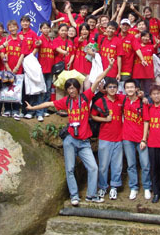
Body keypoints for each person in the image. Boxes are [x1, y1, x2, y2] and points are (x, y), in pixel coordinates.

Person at [25, 58, 115, 206]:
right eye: (69, 88)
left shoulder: (85, 98)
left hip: (84, 141)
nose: (71, 91)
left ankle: (91, 195)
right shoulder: (66, 102)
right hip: (71, 140)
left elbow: (98, 79)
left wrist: (109, 67)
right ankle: (74, 196)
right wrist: (32, 108)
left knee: (93, 168)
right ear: (66, 90)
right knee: (70, 168)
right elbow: (49, 103)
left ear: (78, 88)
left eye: (74, 88)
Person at [91, 77, 124, 200]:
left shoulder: (121, 99)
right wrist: (105, 119)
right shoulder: (100, 101)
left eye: (114, 87)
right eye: (110, 87)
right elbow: (93, 115)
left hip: (118, 137)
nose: (112, 89)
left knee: (117, 165)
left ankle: (114, 187)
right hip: (105, 137)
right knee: (103, 165)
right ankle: (103, 187)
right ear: (105, 89)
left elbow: (132, 99)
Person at [121, 79, 152, 200]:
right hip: (127, 138)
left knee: (145, 164)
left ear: (136, 89)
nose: (129, 89)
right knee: (131, 164)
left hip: (140, 138)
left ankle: (146, 187)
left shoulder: (143, 103)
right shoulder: (123, 99)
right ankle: (133, 187)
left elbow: (146, 121)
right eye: (127, 87)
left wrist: (144, 139)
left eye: (131, 87)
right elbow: (108, 91)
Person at [142, 85, 160, 205]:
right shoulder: (149, 108)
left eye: (158, 93)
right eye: (154, 94)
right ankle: (156, 193)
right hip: (152, 142)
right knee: (154, 169)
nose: (156, 96)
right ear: (151, 96)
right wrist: (144, 139)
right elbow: (146, 123)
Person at [2, 20, 24, 121]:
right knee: (7, 90)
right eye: (10, 27)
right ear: (8, 29)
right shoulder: (6, 39)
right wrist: (8, 68)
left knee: (16, 90)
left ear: (17, 28)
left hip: (18, 69)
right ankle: (7, 110)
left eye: (14, 26)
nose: (12, 29)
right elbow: (2, 54)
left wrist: (16, 67)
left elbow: (22, 54)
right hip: (7, 69)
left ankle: (15, 111)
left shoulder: (21, 40)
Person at [19, 15, 40, 120]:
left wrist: (30, 58)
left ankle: (31, 110)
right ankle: (23, 110)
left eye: (27, 21)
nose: (25, 23)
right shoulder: (18, 35)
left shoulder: (33, 34)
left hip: (29, 63)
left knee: (31, 86)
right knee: (22, 87)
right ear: (21, 23)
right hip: (20, 63)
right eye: (23, 22)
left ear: (29, 23)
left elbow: (36, 47)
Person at [34, 21, 54, 119]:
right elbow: (36, 44)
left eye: (47, 28)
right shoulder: (40, 39)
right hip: (41, 69)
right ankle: (39, 112)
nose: (46, 30)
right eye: (44, 28)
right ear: (41, 29)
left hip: (50, 69)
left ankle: (45, 110)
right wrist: (38, 44)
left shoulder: (50, 40)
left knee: (48, 90)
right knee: (41, 91)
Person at [132, 31, 155, 96]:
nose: (145, 38)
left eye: (147, 37)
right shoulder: (136, 46)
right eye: (144, 36)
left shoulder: (152, 47)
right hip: (137, 73)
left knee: (148, 92)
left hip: (148, 73)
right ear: (141, 37)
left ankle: (148, 105)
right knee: (136, 92)